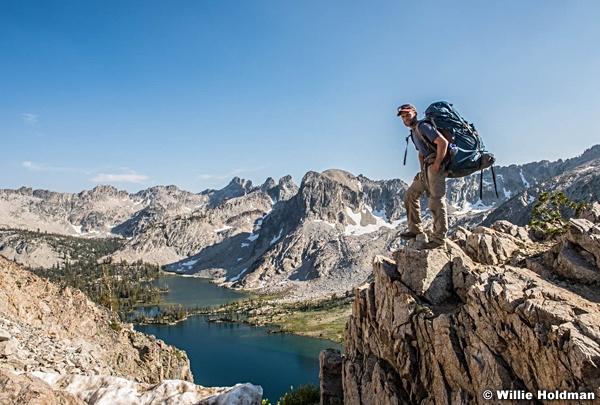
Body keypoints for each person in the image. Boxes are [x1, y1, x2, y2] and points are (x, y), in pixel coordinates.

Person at [397, 103, 448, 249]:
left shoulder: (423, 127)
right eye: (403, 116)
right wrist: (421, 172)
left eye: (408, 114)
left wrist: (437, 164)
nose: (405, 118)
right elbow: (420, 152)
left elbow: (442, 143)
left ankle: (439, 239)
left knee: (436, 200)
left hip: (435, 165)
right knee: (410, 194)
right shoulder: (414, 132)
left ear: (415, 113)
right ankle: (415, 229)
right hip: (427, 167)